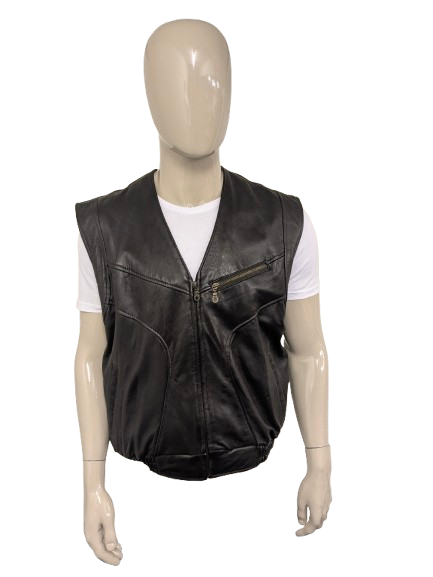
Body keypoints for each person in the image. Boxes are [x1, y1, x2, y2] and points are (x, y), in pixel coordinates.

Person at [74, 17, 331, 566]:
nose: (201, 99)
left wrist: (319, 461)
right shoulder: (103, 228)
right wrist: (93, 483)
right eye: (179, 81)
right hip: (139, 493)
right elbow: (90, 355)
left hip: (262, 487)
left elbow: (308, 349)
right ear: (148, 94)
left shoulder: (283, 222)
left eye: (216, 81)